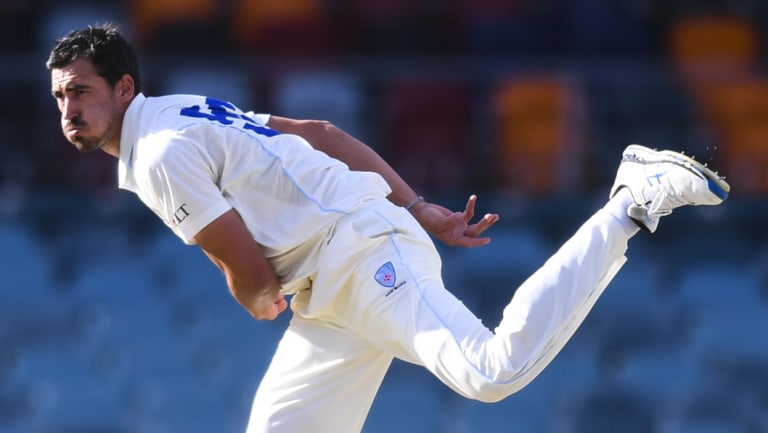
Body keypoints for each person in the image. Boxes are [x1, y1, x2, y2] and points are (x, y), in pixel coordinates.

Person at [46, 24, 730, 433]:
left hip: (360, 256)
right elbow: (319, 131)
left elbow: (250, 276)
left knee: (490, 371)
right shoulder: (182, 111)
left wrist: (255, 297)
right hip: (333, 289)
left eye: (80, 90)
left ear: (125, 89)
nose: (68, 108)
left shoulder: (159, 151)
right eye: (59, 96)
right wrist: (417, 204)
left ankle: (629, 201)